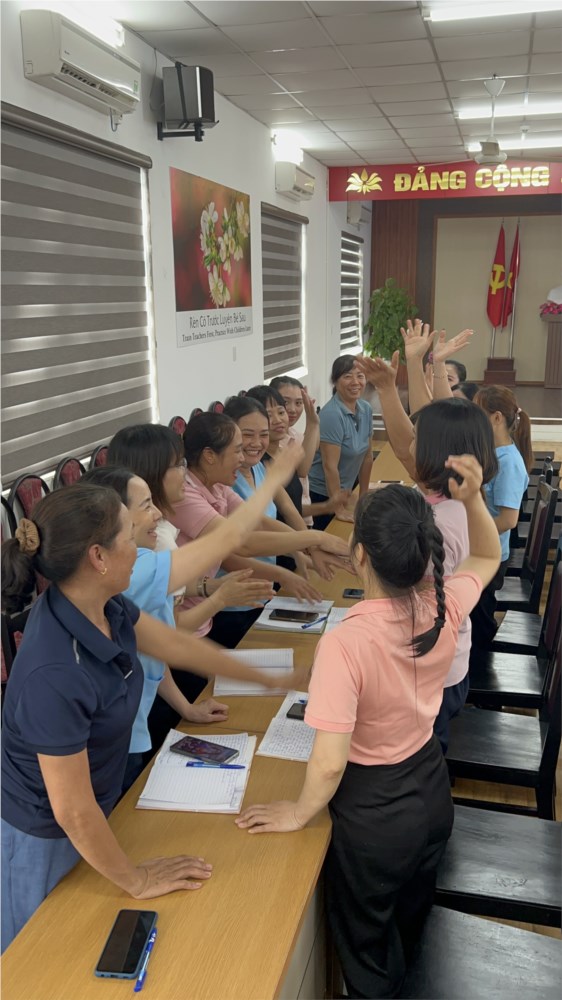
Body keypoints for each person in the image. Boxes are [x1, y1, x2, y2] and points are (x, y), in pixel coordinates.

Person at [236, 455, 502, 1000]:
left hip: (375, 816)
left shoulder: (346, 643)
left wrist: (299, 812)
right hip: (431, 791)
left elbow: (330, 762)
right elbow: (486, 555)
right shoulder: (444, 606)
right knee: (410, 929)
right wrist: (474, 498)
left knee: (368, 957)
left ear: (359, 554)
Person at [0, 478, 304, 952]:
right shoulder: (54, 670)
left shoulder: (108, 607)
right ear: (98, 557)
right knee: (43, 956)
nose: (145, 544)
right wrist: (137, 879)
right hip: (42, 838)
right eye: (129, 536)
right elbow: (72, 810)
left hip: (90, 814)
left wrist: (271, 679)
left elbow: (175, 646)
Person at [83, 465, 272, 789]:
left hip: (131, 728)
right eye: (146, 505)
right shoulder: (138, 570)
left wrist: (187, 708)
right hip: (115, 742)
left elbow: (153, 655)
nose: (158, 513)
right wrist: (280, 473)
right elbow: (231, 539)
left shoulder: (131, 566)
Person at [355, 350, 497, 752]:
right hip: (445, 664)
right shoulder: (457, 503)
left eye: (418, 439)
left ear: (439, 453)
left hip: (429, 669)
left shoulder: (442, 521)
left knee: (423, 753)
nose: (408, 445)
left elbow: (410, 590)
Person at [198, 399, 349, 648]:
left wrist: (307, 550)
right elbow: (238, 546)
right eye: (247, 435)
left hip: (262, 592)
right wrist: (312, 542)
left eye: (263, 434)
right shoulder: (224, 480)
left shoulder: (258, 468)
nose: (256, 443)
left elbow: (274, 517)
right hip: (231, 602)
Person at [471, 384, 532, 649]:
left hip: (490, 554)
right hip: (481, 549)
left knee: (479, 620)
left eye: (478, 413)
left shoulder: (508, 463)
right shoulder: (493, 453)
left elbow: (508, 520)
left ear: (496, 418)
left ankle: (481, 663)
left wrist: (468, 532)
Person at [308, 355, 373, 529]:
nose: (355, 382)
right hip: (322, 496)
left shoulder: (366, 409)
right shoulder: (332, 414)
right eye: (347, 376)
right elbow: (330, 466)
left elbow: (367, 457)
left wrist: (363, 496)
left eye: (360, 376)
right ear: (335, 382)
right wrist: (337, 508)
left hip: (345, 493)